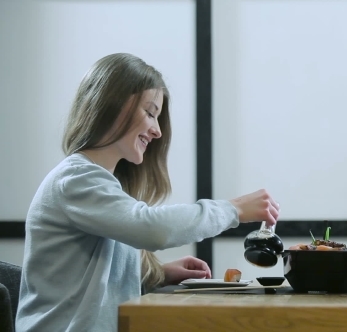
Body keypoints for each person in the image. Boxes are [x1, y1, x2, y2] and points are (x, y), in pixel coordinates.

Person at [15, 53, 280, 332]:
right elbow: (152, 228)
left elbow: (87, 275)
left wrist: (157, 274)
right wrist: (234, 209)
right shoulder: (76, 179)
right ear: (112, 102)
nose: (157, 132)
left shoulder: (98, 184)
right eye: (151, 113)